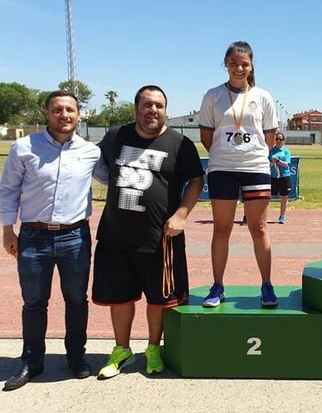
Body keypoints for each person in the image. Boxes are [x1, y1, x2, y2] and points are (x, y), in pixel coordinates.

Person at [93, 85, 204, 379]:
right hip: (116, 235)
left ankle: (154, 348)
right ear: (136, 108)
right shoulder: (115, 136)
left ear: (165, 110)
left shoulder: (180, 143)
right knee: (120, 298)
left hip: (160, 238)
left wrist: (182, 214)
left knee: (159, 299)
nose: (153, 110)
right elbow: (87, 161)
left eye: (158, 105)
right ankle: (122, 350)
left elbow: (196, 180)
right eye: (147, 104)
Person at [0, 91, 102, 391]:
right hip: (33, 237)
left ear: (79, 114)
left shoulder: (91, 152)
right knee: (34, 302)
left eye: (70, 110)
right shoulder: (23, 148)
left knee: (76, 300)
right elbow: (9, 189)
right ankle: (32, 361)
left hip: (75, 236)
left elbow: (114, 178)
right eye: (57, 109)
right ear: (46, 112)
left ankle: (76, 357)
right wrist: (7, 230)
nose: (64, 115)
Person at [198, 41, 279, 308]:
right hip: (222, 169)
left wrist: (251, 155)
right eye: (233, 63)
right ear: (226, 64)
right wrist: (227, 155)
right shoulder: (213, 96)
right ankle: (217, 285)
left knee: (259, 227)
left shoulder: (263, 97)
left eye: (244, 64)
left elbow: (268, 138)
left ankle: (266, 285)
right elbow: (207, 137)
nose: (239, 68)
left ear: (251, 66)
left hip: (255, 168)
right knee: (222, 228)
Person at [269, 131, 292, 224]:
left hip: (284, 176)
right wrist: (273, 162)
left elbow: (287, 165)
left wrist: (278, 161)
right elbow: (268, 165)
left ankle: (282, 216)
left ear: (283, 141)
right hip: (273, 177)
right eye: (277, 139)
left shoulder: (286, 151)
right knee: (267, 197)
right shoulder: (271, 151)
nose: (278, 141)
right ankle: (262, 215)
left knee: (284, 197)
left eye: (280, 139)